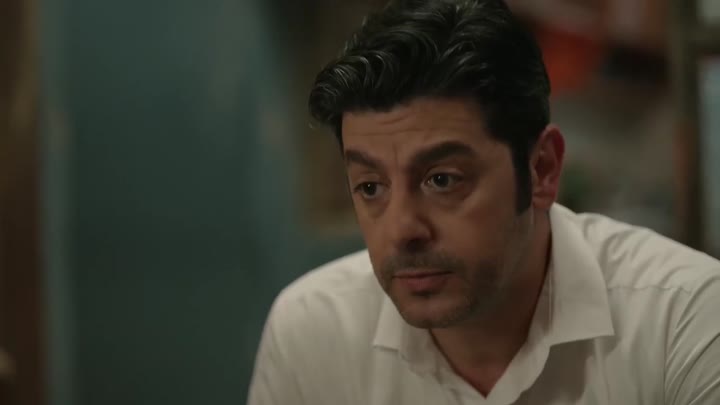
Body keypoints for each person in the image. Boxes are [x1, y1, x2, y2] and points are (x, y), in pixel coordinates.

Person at [247, 0, 720, 403]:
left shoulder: (681, 319)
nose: (402, 229)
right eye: (371, 187)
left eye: (442, 180)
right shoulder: (313, 330)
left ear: (541, 170)